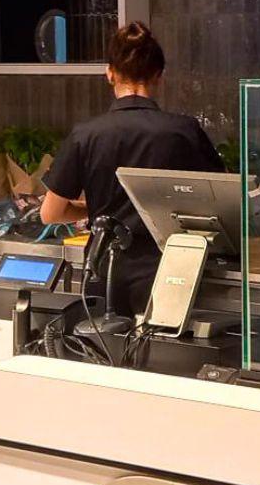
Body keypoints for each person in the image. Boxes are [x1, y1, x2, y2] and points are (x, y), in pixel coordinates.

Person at [41, 21, 223, 314]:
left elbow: (51, 213)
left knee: (101, 340)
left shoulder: (86, 134)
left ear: (109, 73)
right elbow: (219, 202)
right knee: (162, 343)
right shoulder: (183, 132)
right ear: (158, 75)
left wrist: (97, 211)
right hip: (169, 270)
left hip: (104, 269)